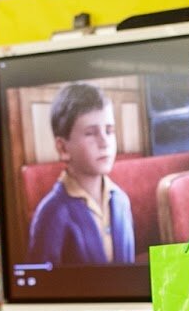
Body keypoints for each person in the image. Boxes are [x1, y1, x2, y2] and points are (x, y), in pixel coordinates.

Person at [26, 82, 135, 265]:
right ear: (63, 148)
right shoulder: (51, 212)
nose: (104, 142)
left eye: (109, 131)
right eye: (91, 133)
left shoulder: (121, 200)